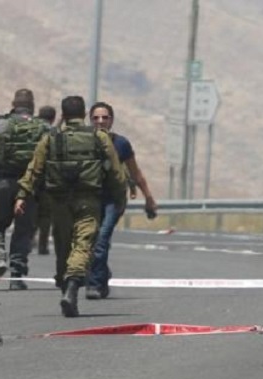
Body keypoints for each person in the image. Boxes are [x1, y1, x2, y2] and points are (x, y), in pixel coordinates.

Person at [14, 96, 126, 317]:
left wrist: (22, 195)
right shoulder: (99, 137)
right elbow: (116, 173)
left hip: (58, 202)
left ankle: (65, 286)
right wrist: (119, 198)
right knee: (83, 244)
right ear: (84, 114)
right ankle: (73, 285)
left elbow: (34, 169)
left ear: (63, 115)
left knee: (63, 246)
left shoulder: (50, 138)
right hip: (88, 200)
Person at [0, 88, 49, 291]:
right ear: (32, 106)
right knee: (24, 229)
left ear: (13, 104)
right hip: (30, 186)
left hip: (3, 183)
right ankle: (17, 274)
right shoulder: (44, 127)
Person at [86, 101, 158, 299]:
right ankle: (101, 274)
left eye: (105, 117)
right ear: (90, 120)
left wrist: (148, 198)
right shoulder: (84, 142)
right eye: (96, 118)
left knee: (102, 239)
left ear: (112, 120)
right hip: (89, 199)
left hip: (113, 200)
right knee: (90, 241)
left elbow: (135, 172)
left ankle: (94, 284)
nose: (101, 121)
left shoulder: (121, 144)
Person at [33, 105, 56, 255]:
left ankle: (27, 241)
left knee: (30, 211)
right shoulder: (53, 132)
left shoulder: (30, 130)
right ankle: (42, 245)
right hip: (48, 178)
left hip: (30, 176)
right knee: (46, 215)